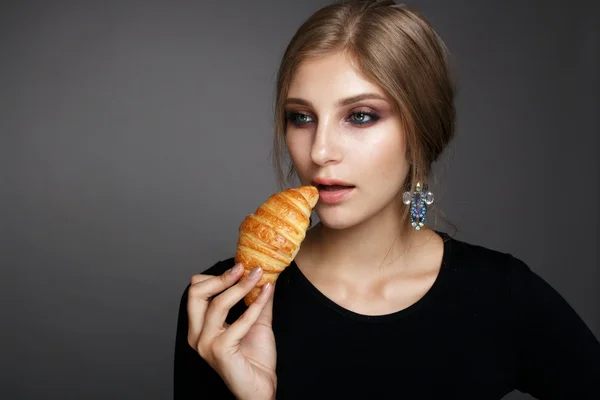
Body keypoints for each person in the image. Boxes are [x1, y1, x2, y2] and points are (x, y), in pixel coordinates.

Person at [173, 1, 600, 399]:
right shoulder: (225, 309)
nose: (320, 151)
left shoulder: (502, 295)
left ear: (419, 132)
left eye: (360, 116)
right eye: (301, 117)